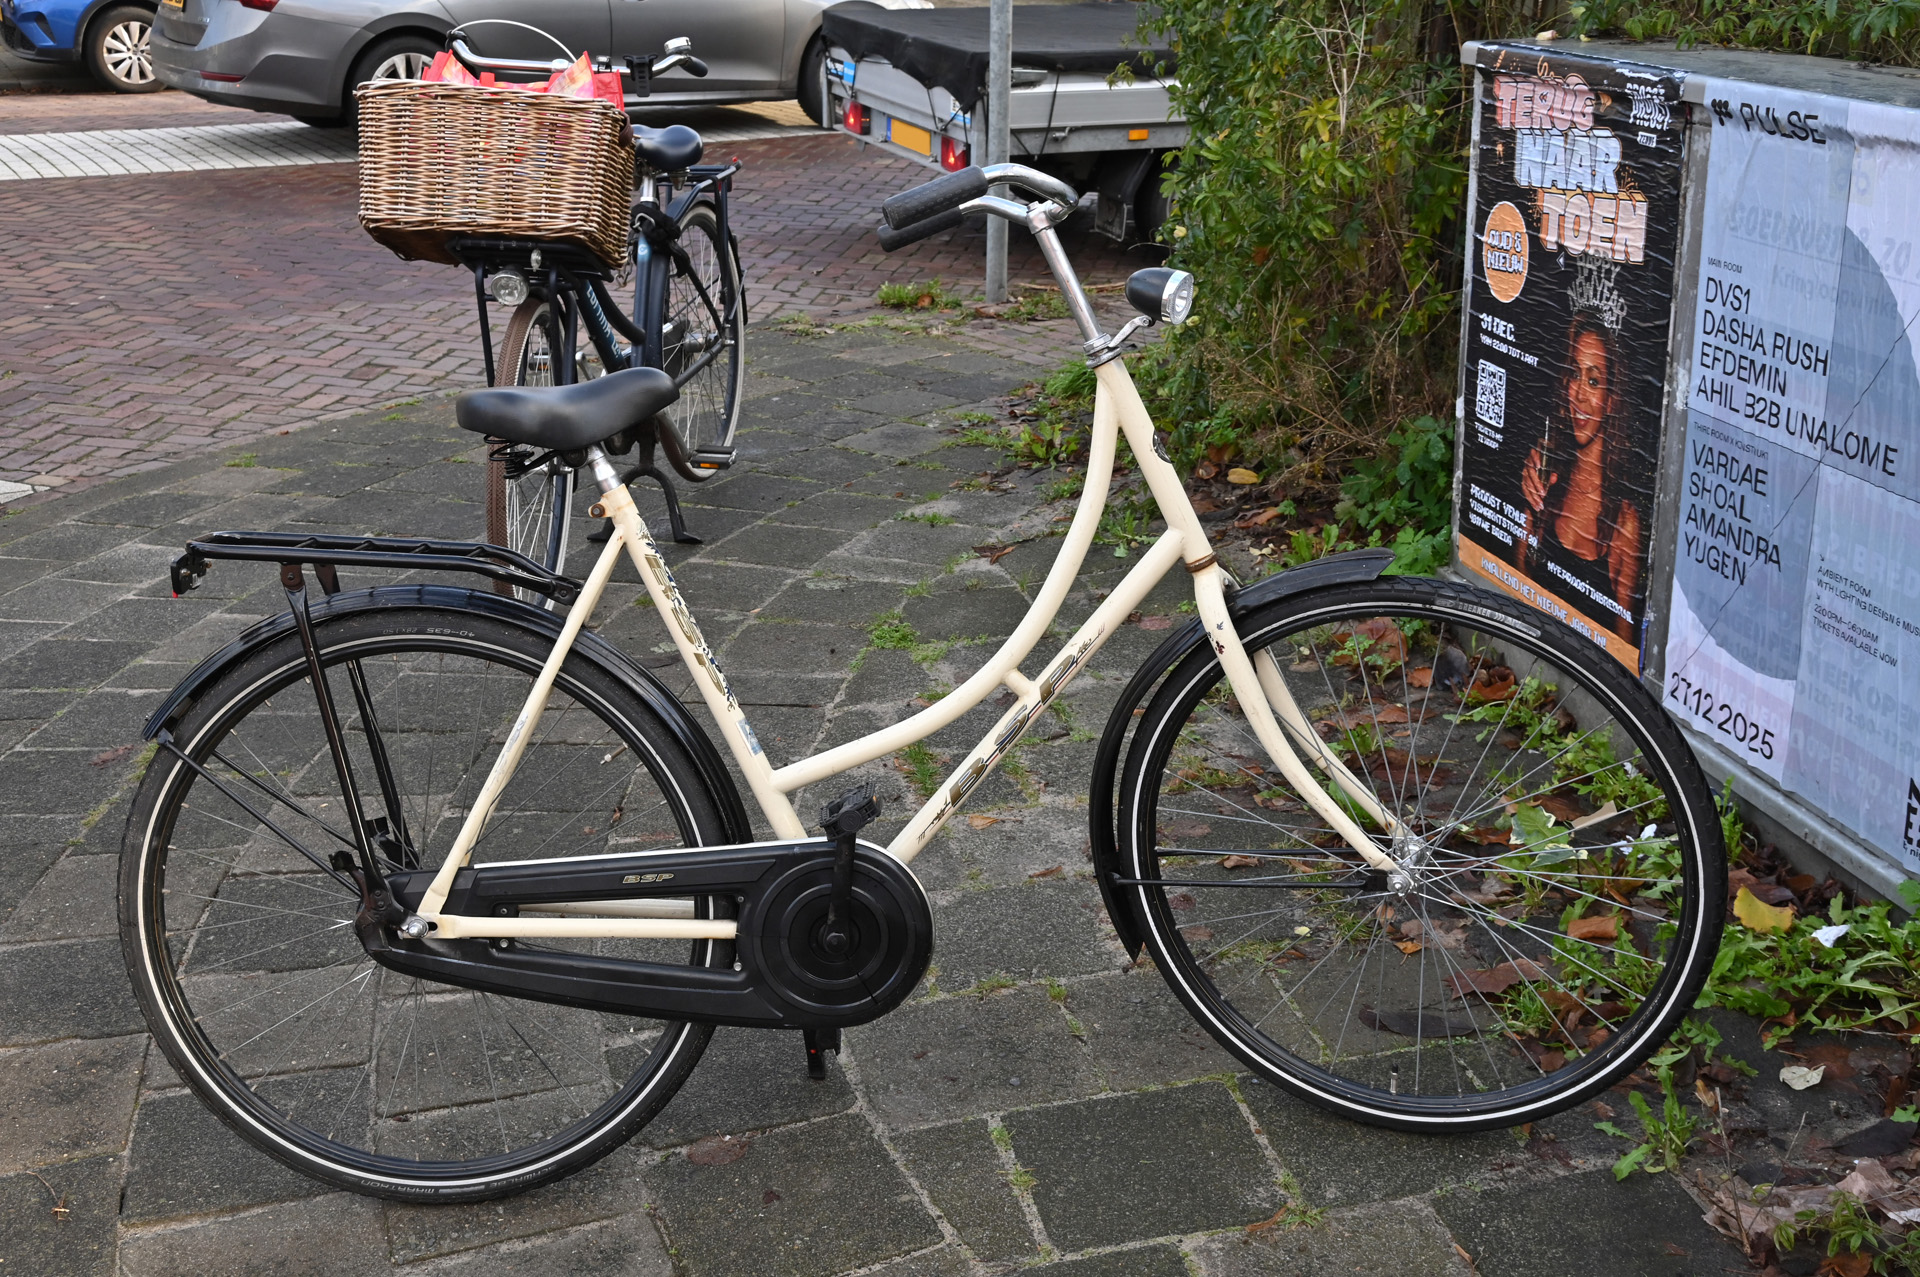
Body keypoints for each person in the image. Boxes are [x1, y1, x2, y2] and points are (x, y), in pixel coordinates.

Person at [1516, 316, 1643, 641]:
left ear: (1612, 399)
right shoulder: (1547, 473)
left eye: (1595, 381)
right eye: (1575, 374)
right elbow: (1517, 581)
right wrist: (1529, 509)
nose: (1580, 395)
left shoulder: (1624, 522)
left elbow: (1625, 645)